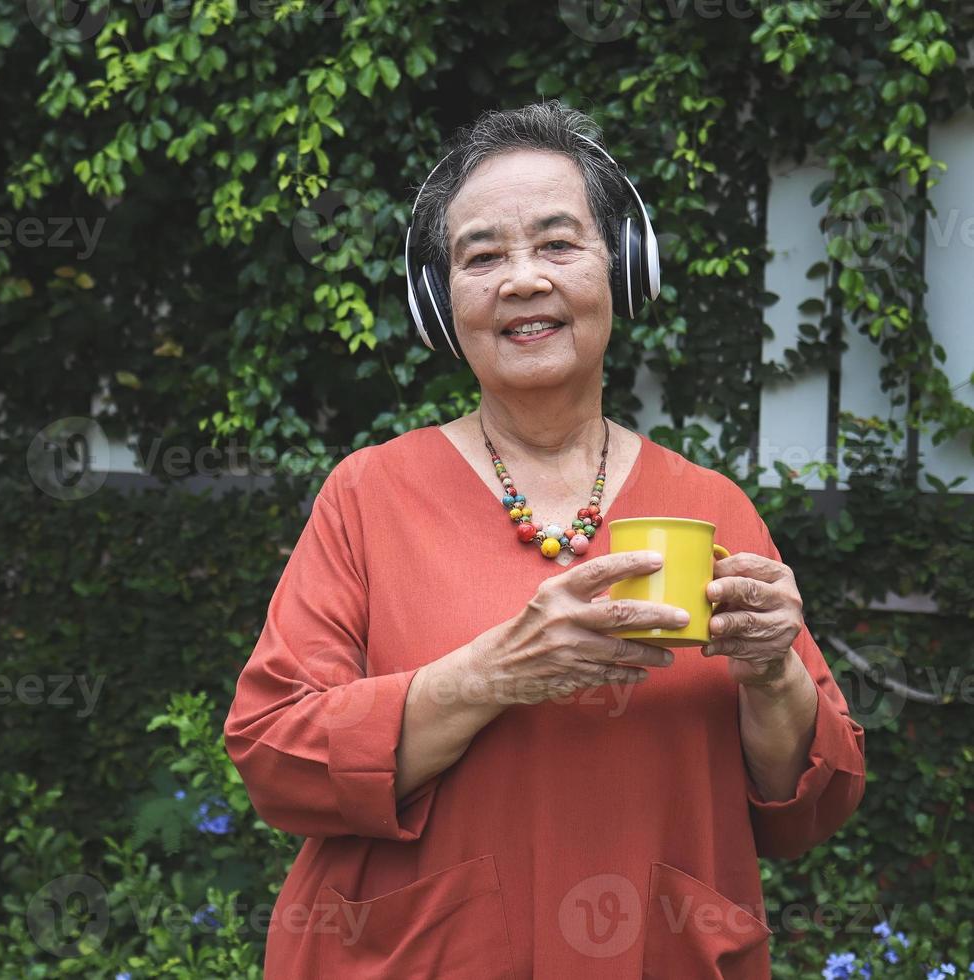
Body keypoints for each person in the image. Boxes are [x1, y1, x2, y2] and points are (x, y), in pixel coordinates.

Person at [222, 100, 865, 979]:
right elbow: (274, 754)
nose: (523, 280)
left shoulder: (714, 506)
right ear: (441, 302)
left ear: (623, 268)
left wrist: (772, 671)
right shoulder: (368, 494)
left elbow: (809, 806)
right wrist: (493, 672)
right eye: (482, 256)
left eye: (559, 244)